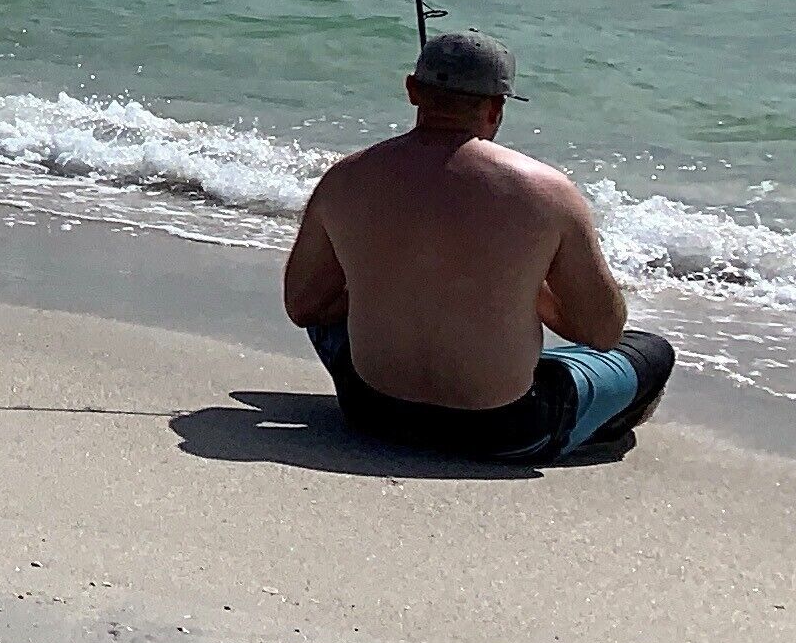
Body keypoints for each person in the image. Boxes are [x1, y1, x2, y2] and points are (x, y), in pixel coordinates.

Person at [280, 28, 671, 463]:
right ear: (497, 107)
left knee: (334, 307)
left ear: (412, 90)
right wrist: (523, 286)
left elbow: (303, 307)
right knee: (650, 351)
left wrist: (387, 280)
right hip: (502, 431)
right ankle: (595, 425)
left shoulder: (345, 178)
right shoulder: (547, 192)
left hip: (371, 411)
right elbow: (601, 332)